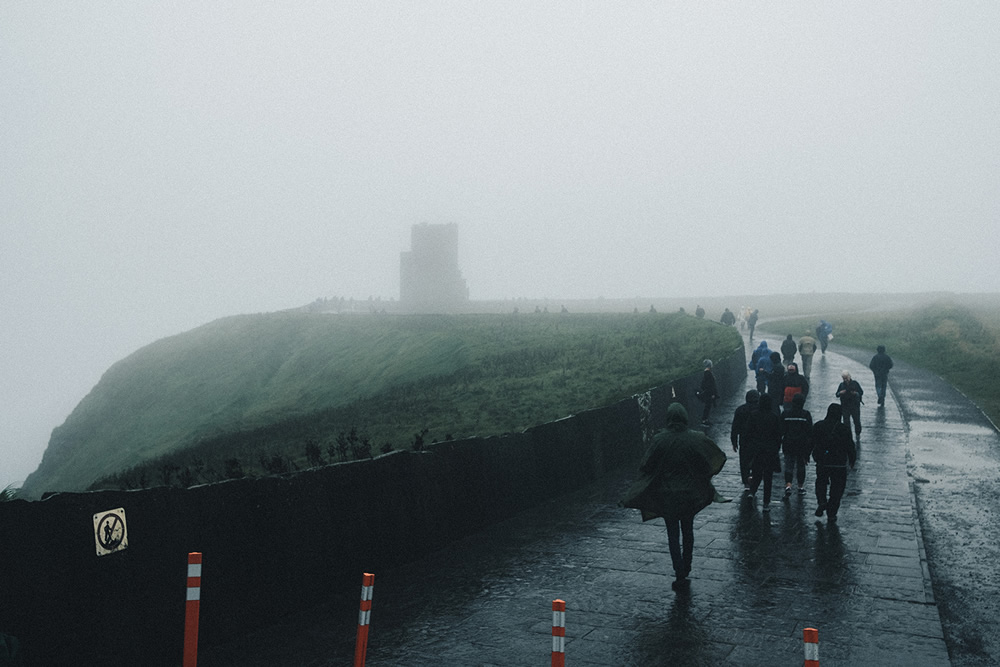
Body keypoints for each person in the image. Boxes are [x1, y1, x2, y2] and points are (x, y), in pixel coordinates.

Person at [621, 402, 727, 591]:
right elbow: (709, 461)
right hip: (690, 495)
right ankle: (687, 565)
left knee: (672, 533)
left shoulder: (660, 440)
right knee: (688, 530)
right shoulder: (696, 438)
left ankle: (678, 571)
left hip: (668, 495)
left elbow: (646, 465)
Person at [811, 403, 857, 522]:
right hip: (839, 463)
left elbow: (811, 442)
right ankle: (832, 511)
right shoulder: (844, 428)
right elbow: (850, 445)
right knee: (837, 488)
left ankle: (822, 501)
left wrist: (807, 455)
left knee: (821, 482)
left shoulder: (818, 426)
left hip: (822, 461)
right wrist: (852, 459)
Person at [746, 393, 782, 509]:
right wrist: (776, 449)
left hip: (757, 448)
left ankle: (752, 491)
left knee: (756, 472)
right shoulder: (774, 417)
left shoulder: (753, 415)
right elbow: (778, 435)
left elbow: (748, 432)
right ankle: (766, 503)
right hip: (770, 450)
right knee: (768, 477)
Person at [781, 393, 813, 498]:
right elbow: (810, 433)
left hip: (788, 443)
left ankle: (788, 485)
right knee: (801, 466)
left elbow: (781, 430)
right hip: (801, 445)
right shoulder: (806, 415)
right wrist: (808, 451)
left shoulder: (786, 414)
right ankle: (800, 487)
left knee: (789, 465)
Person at [730, 389, 759, 491]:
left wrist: (734, 441)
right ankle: (754, 477)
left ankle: (746, 482)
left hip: (744, 440)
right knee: (756, 460)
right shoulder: (760, 409)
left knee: (744, 461)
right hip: (757, 440)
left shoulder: (740, 410)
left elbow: (735, 427)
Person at [836, 371, 864, 439]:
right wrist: (840, 392)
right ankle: (848, 435)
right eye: (844, 378)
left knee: (856, 420)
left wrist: (855, 393)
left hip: (855, 405)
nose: (845, 380)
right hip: (845, 405)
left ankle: (858, 433)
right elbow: (837, 394)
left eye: (846, 378)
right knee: (846, 421)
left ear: (849, 376)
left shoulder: (855, 383)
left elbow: (861, 392)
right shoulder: (841, 385)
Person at [697, 359, 719, 426]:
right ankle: (704, 420)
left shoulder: (706, 373)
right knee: (708, 406)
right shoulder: (708, 373)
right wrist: (712, 393)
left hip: (708, 392)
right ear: (710, 365)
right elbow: (710, 384)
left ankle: (705, 419)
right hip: (709, 393)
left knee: (708, 406)